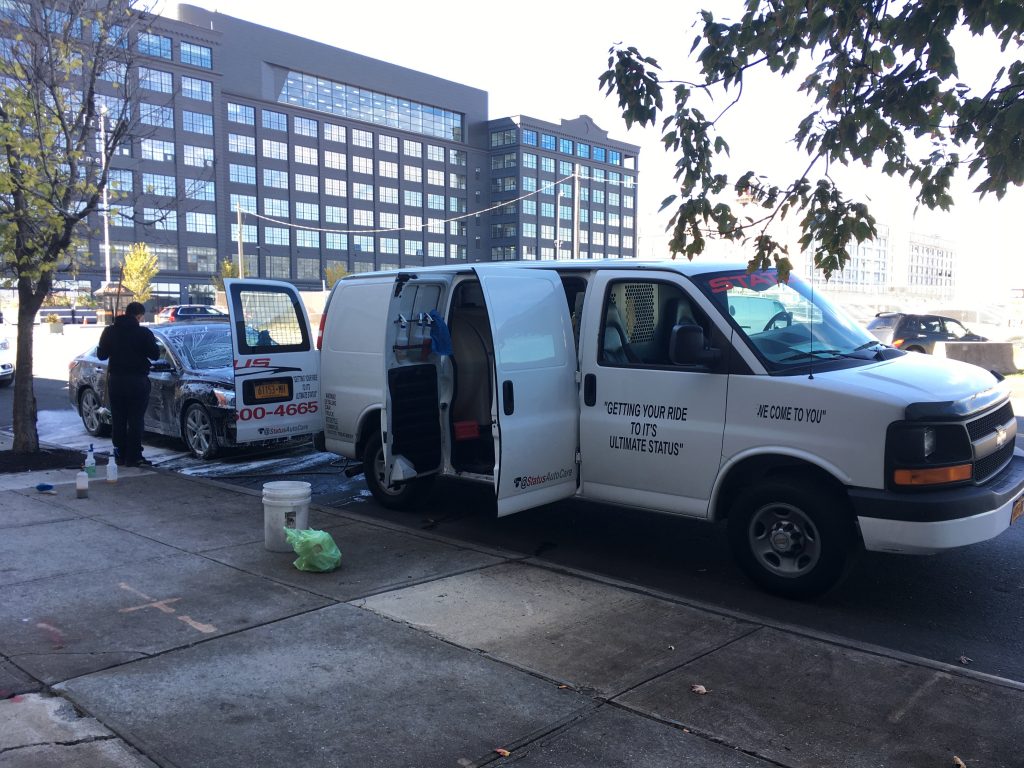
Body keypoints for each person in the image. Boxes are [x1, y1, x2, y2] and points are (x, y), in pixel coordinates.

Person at [97, 302, 159, 467]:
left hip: (116, 381)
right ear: (139, 316)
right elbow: (155, 355)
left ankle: (120, 455)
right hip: (137, 381)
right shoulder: (143, 332)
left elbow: (101, 355)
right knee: (136, 419)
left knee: (118, 419)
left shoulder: (110, 331)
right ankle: (134, 456)